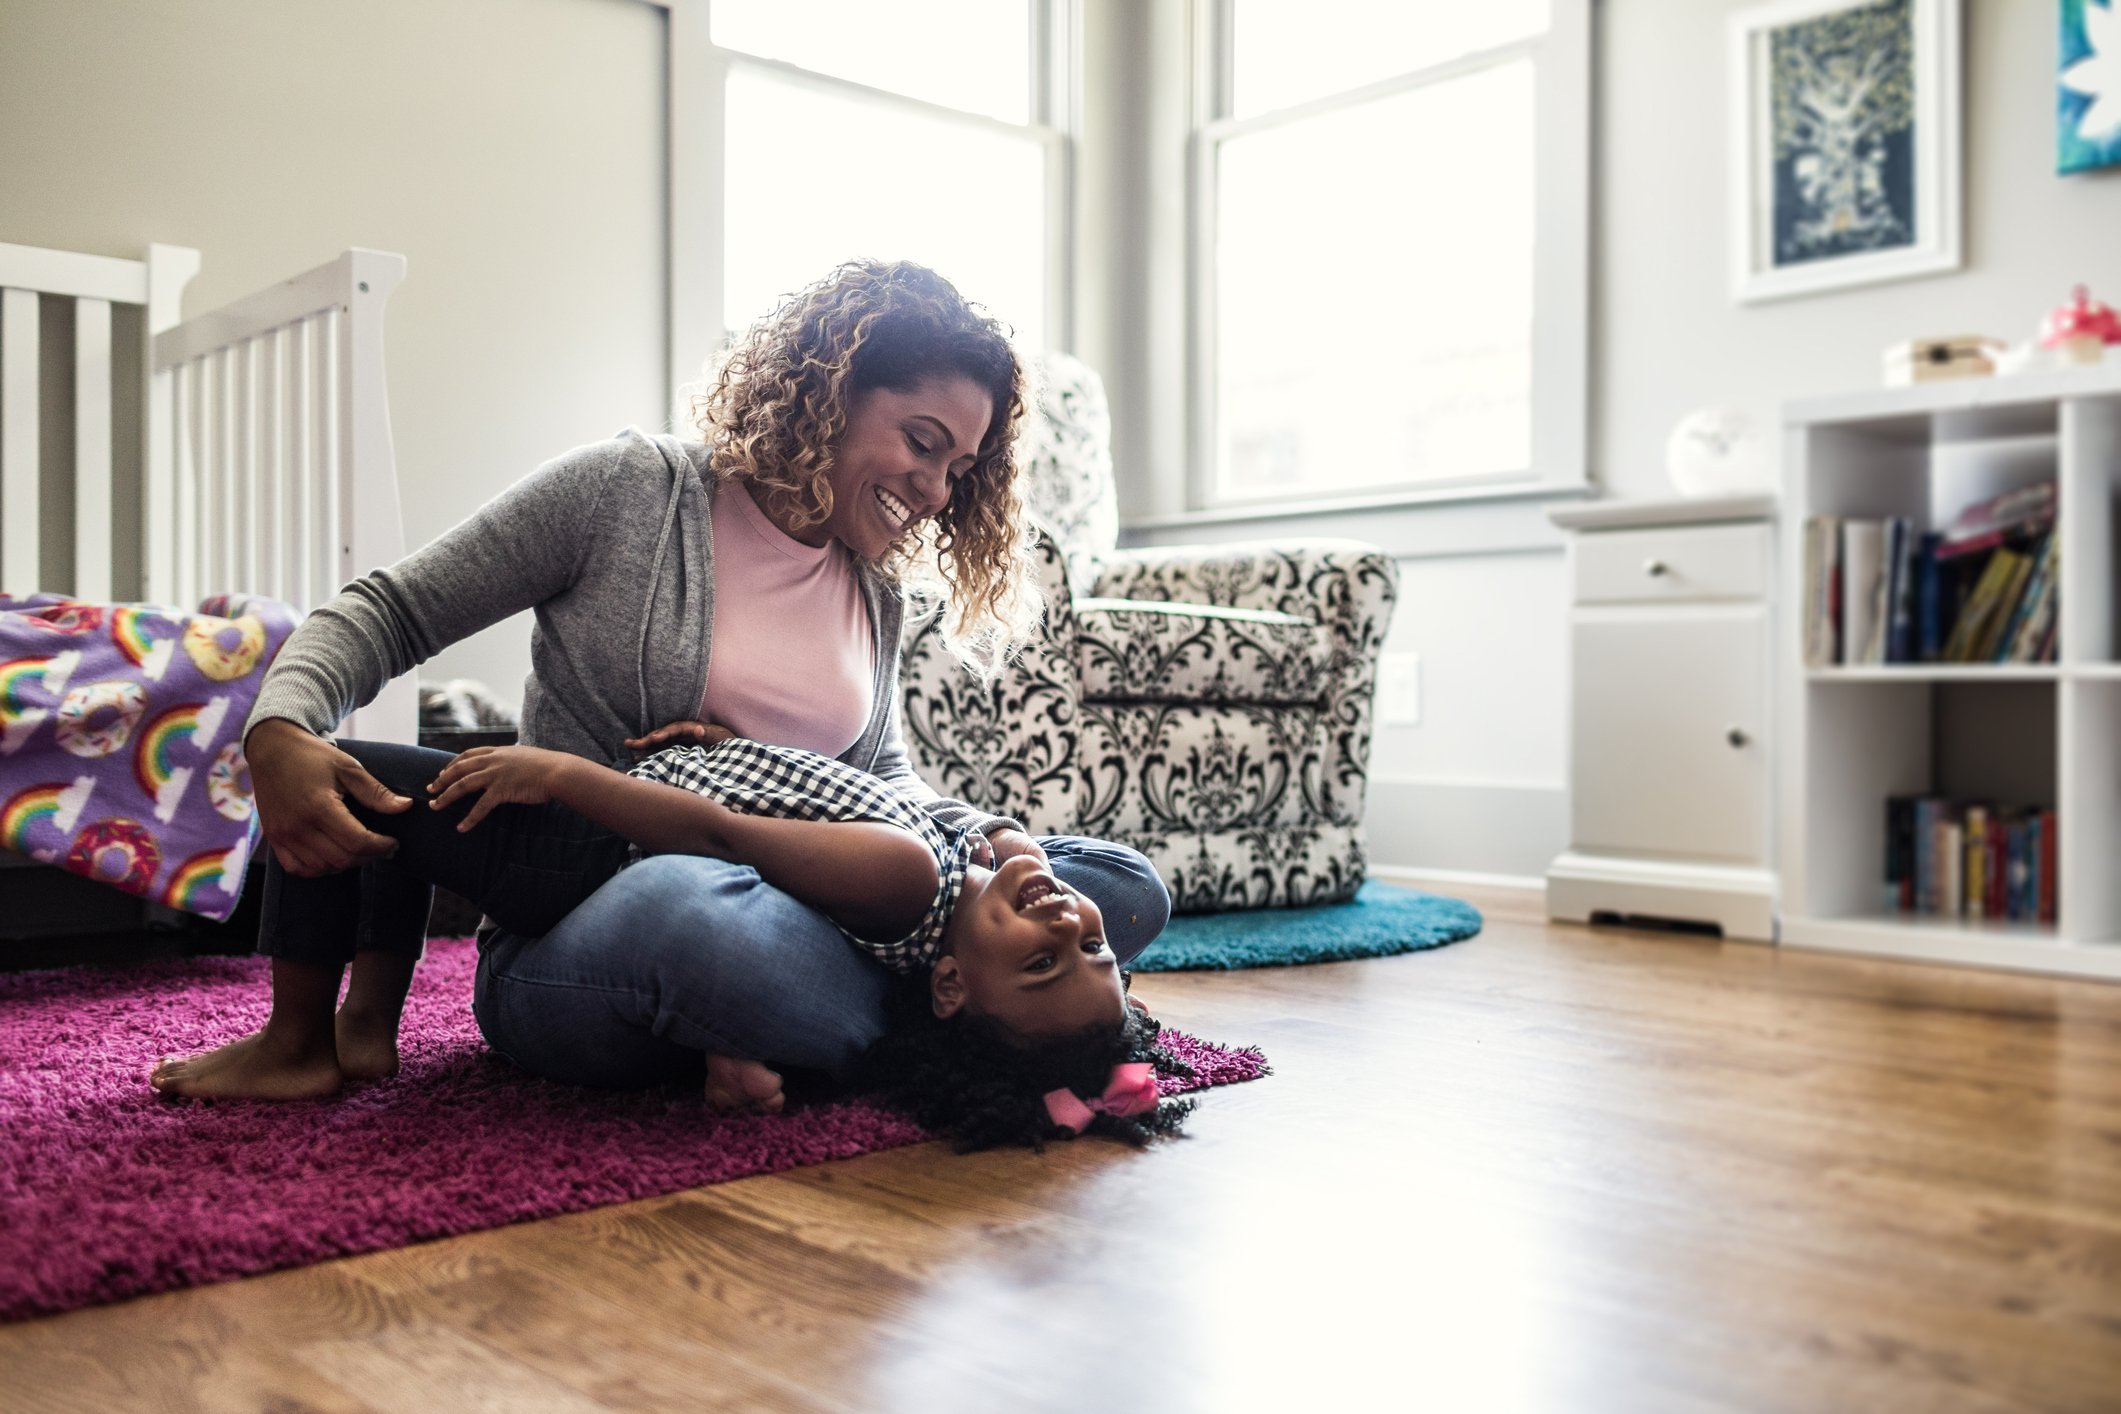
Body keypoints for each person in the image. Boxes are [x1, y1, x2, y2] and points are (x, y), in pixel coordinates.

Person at [149, 259, 1170, 1103]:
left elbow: (885, 783)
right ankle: (956, 1024)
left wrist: (984, 835)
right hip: (613, 904)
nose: (938, 492)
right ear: (830, 392)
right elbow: (390, 611)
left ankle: (926, 1009)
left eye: (960, 469)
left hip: (830, 914)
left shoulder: (876, 596)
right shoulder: (629, 495)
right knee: (697, 909)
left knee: (1123, 889)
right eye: (922, 444)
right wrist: (278, 725)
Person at [156, 727, 1196, 1144]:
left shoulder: (910, 876)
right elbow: (839, 794)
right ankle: (365, 1033)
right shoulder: (957, 875)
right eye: (1097, 949)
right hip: (632, 832)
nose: (1067, 920)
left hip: (597, 851)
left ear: (952, 990)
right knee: (390, 817)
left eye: (1042, 959)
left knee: (349, 779)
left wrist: (567, 777)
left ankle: (301, 1042)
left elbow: (716, 832)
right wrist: (728, 745)